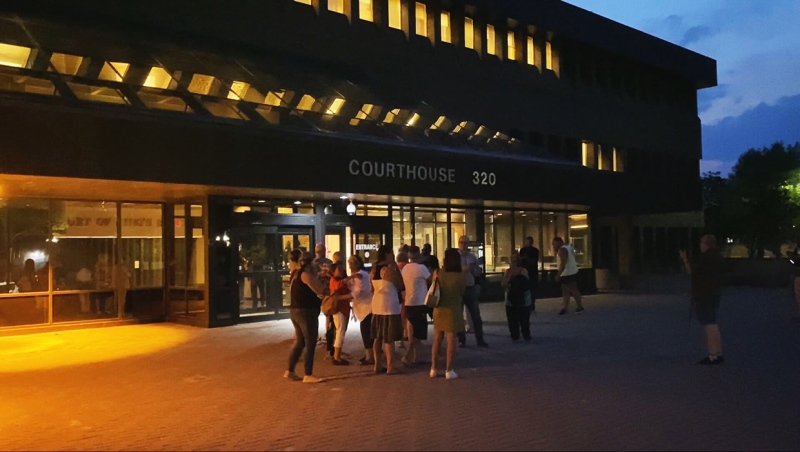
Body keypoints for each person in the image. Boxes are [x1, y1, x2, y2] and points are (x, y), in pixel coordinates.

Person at [680, 235, 726, 365]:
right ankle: (718, 353)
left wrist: (685, 259)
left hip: (705, 294)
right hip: (714, 293)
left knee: (708, 324)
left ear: (706, 244)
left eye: (701, 243)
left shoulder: (706, 258)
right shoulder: (717, 257)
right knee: (714, 323)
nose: (700, 245)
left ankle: (712, 355)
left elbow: (693, 273)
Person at [285, 252, 325, 383]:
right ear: (310, 263)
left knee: (300, 341)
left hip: (295, 310)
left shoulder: (295, 274)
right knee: (310, 341)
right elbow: (319, 289)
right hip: (306, 311)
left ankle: (290, 370)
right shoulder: (306, 275)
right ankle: (308, 374)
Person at [431, 248, 466, 380]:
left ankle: (433, 368)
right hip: (453, 309)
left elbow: (432, 284)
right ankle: (449, 369)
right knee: (451, 340)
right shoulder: (459, 275)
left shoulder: (438, 272)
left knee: (437, 339)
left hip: (439, 308)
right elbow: (462, 290)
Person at [370, 244, 405, 375]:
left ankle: (377, 364)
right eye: (391, 253)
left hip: (377, 304)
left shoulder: (374, 268)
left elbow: (372, 288)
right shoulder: (388, 269)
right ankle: (390, 366)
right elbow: (400, 284)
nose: (393, 255)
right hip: (389, 304)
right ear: (387, 254)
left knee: (377, 336)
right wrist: (395, 268)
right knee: (388, 337)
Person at [401, 245, 431, 366]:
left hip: (409, 302)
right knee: (418, 333)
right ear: (418, 255)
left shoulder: (405, 269)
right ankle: (407, 356)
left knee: (414, 331)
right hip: (420, 303)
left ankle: (416, 357)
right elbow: (430, 280)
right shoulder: (422, 268)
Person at [456, 236, 488, 348]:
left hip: (470, 287)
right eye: (462, 243)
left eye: (466, 243)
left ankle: (480, 339)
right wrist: (462, 269)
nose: (464, 245)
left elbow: (478, 272)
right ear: (459, 243)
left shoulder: (472, 256)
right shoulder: (455, 257)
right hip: (459, 289)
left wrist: (473, 270)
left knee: (475, 315)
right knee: (458, 316)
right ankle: (461, 339)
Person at [347, 255, 374, 365]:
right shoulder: (354, 275)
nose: (351, 264)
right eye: (350, 262)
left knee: (366, 332)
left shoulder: (362, 274)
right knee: (366, 331)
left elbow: (358, 292)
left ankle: (370, 357)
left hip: (367, 306)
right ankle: (369, 355)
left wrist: (343, 297)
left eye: (353, 262)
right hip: (361, 307)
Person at [503, 253, 532, 342]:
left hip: (522, 298)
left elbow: (526, 283)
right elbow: (503, 283)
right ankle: (516, 334)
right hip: (511, 298)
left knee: (523, 318)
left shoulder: (523, 271)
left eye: (514, 261)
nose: (512, 263)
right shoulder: (508, 272)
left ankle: (524, 334)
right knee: (513, 319)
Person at [313, 243, 335, 356]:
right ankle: (326, 335)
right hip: (324, 291)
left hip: (319, 292)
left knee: (320, 314)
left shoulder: (313, 264)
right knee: (327, 314)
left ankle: (319, 336)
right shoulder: (328, 262)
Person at [329, 261, 352, 365]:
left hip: (344, 309)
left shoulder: (340, 280)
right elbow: (338, 288)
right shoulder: (334, 280)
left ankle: (337, 353)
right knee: (340, 331)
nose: (341, 271)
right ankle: (336, 356)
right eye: (339, 269)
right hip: (339, 309)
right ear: (333, 272)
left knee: (341, 330)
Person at [553, 237, 584, 315]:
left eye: (554, 243)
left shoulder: (562, 250)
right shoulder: (569, 247)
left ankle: (577, 306)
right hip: (572, 271)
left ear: (559, 242)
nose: (553, 246)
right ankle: (567, 307)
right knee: (568, 290)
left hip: (567, 273)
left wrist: (558, 275)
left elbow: (563, 263)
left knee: (570, 290)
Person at [519, 236, 540, 312]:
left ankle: (531, 305)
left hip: (532, 272)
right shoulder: (523, 250)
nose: (526, 243)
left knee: (532, 290)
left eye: (528, 242)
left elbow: (534, 261)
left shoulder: (534, 251)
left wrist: (526, 258)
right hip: (525, 272)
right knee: (525, 289)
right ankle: (526, 304)